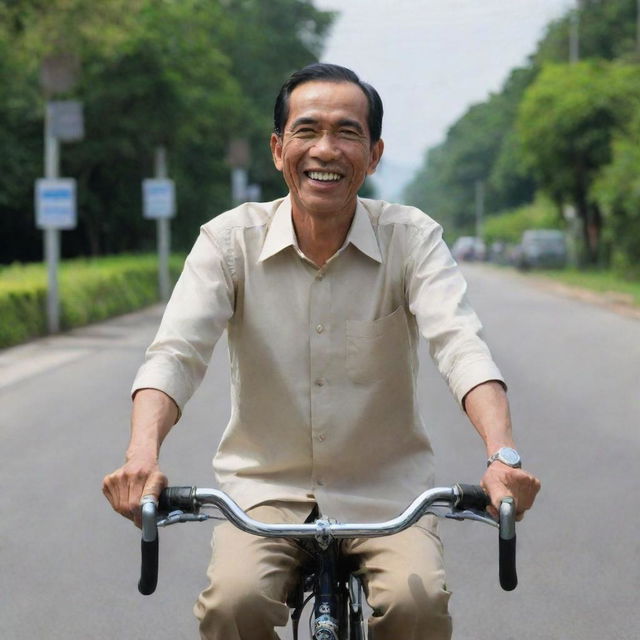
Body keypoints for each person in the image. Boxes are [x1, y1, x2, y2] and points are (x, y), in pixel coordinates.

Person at [103, 63, 540, 639]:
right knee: (234, 606)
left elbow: (460, 345)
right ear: (278, 149)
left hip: (387, 496)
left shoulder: (411, 239)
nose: (326, 150)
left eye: (348, 133)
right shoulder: (228, 240)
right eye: (307, 131)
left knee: (420, 606)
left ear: (375, 153)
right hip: (262, 496)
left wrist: (501, 457)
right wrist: (142, 455)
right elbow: (176, 353)